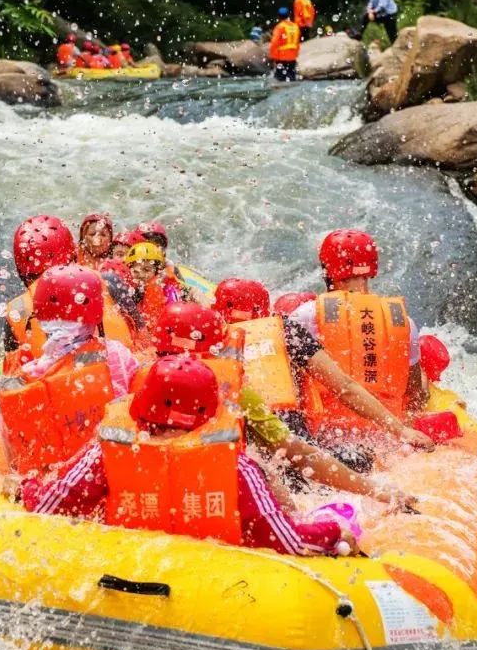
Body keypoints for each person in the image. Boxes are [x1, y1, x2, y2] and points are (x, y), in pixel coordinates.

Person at [21, 355, 358, 556]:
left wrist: (26, 487)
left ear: (143, 402)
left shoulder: (106, 452)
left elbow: (50, 507)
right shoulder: (236, 467)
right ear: (208, 411)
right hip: (213, 579)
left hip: (128, 563)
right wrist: (331, 533)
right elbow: (282, 538)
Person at [208, 280, 417, 508]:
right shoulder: (285, 330)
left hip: (238, 462)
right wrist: (400, 429)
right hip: (299, 457)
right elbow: (345, 387)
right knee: (360, 457)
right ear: (265, 311)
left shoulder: (208, 342)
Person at [286, 230, 433, 449]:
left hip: (326, 440)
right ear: (373, 269)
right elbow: (414, 395)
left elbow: (291, 386)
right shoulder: (403, 321)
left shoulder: (307, 316)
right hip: (389, 442)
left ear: (327, 269)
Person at [0, 264, 140, 477]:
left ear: (41, 314)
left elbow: (13, 452)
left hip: (50, 487)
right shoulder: (117, 354)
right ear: (96, 310)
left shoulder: (26, 378)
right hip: (116, 470)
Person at [3, 216, 134, 370]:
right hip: (120, 379)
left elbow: (12, 373)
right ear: (72, 253)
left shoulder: (16, 310)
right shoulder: (108, 281)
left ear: (21, 268)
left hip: (58, 386)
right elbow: (144, 342)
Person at [123, 242, 185, 346]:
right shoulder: (129, 290)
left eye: (146, 270)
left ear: (156, 271)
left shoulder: (167, 289)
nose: (141, 275)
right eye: (136, 271)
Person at [268, 7, 300, 82]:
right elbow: (297, 43)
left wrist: (272, 56)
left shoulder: (279, 27)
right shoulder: (295, 27)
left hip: (281, 57)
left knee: (280, 80)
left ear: (278, 16)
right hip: (292, 57)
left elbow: (274, 42)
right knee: (292, 78)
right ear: (288, 15)